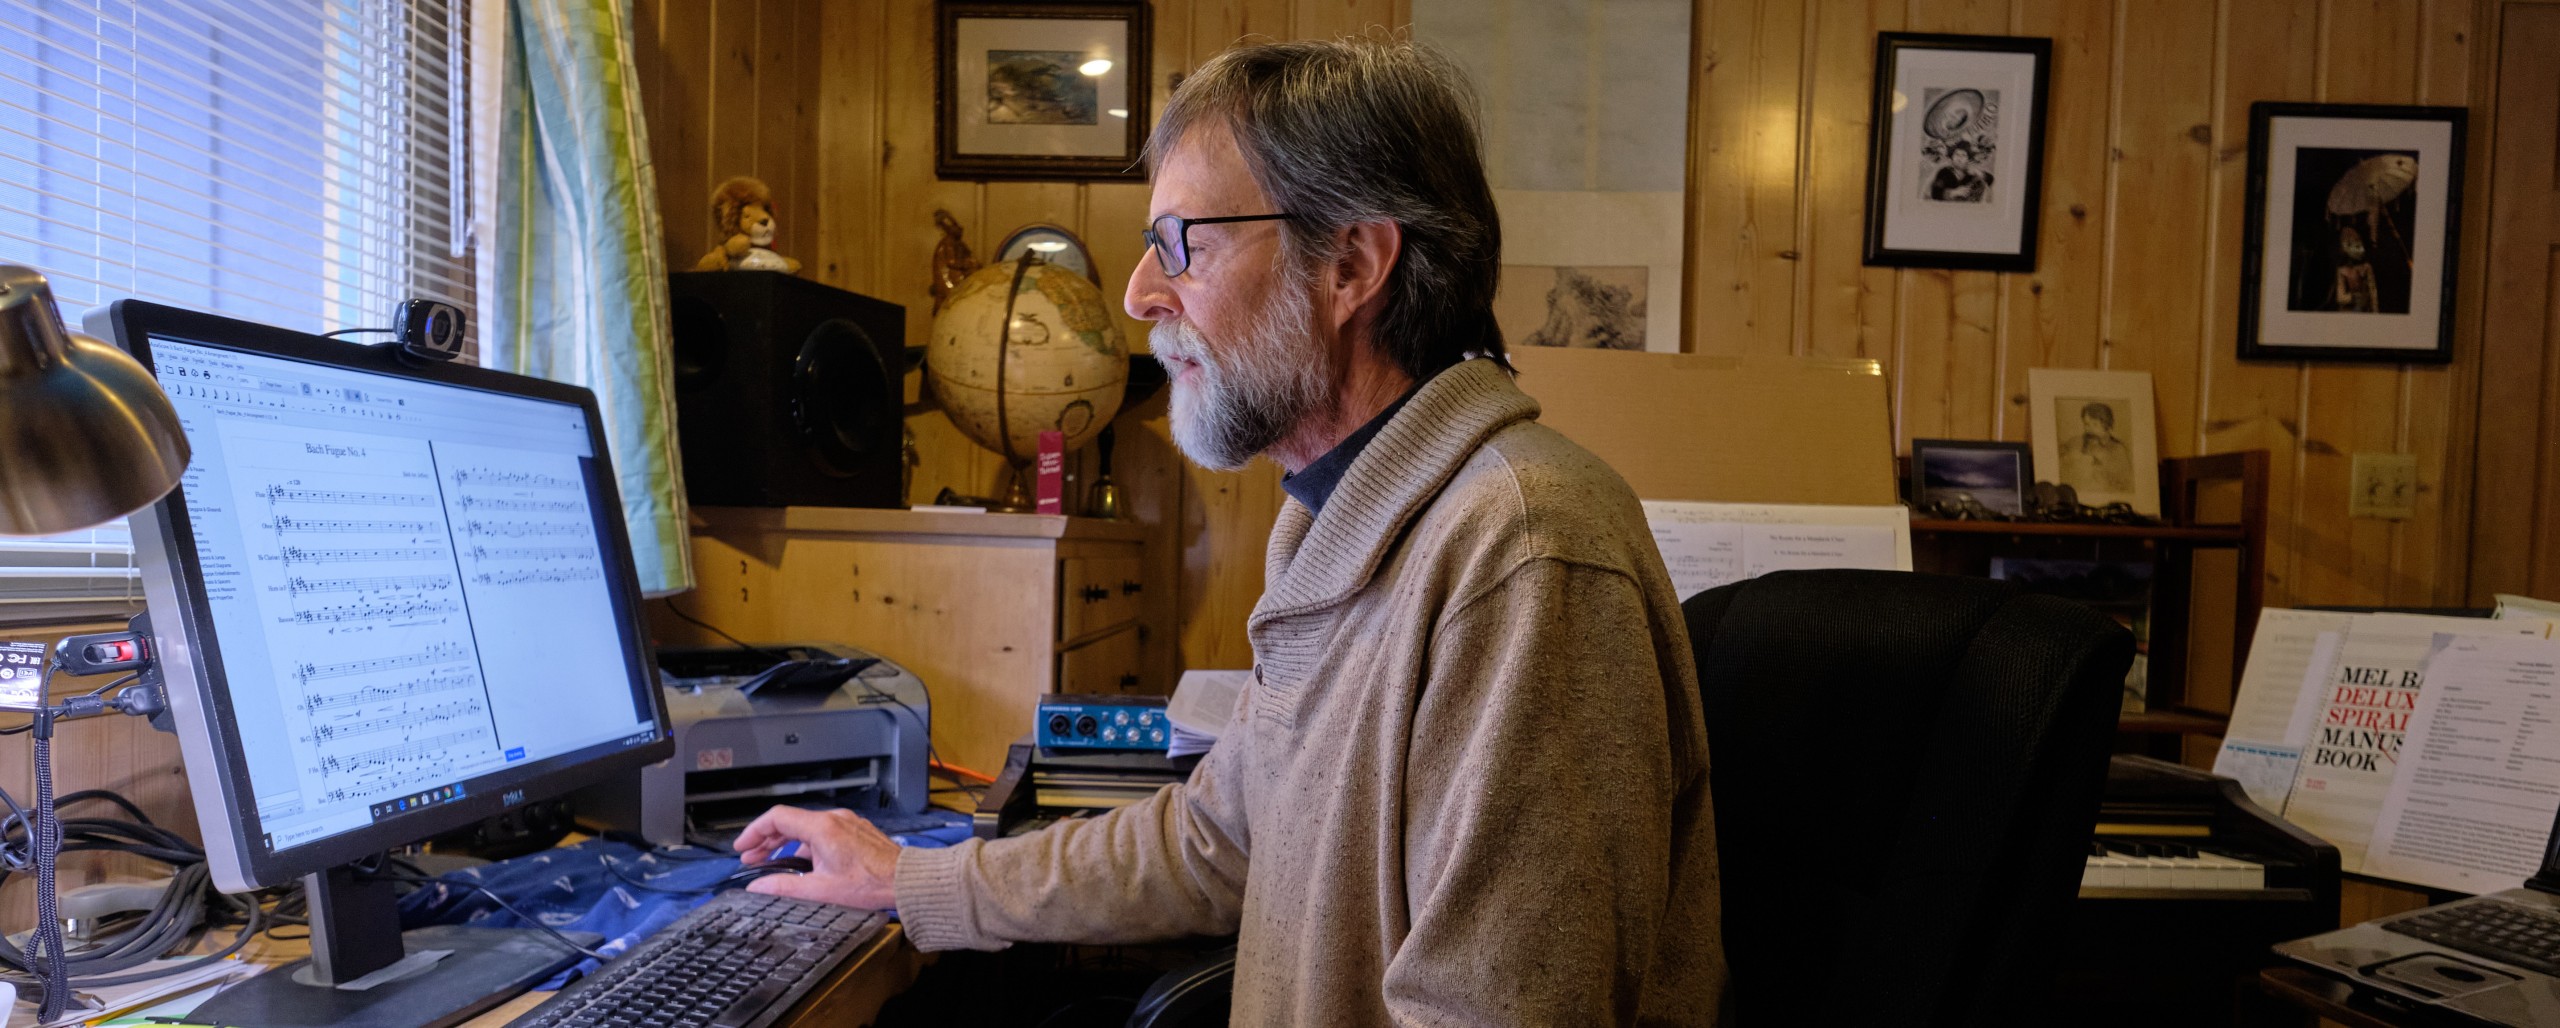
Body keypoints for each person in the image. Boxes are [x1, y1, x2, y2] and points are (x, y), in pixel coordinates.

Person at [734, 38, 1725, 1026]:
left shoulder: (1519, 548)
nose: (1137, 295)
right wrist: (914, 880)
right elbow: (1217, 838)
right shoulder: (1332, 519)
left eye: (1181, 243)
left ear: (1351, 264)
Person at [2057, 401, 2134, 493]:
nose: (2088, 429)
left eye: (2094, 424)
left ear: (2106, 425)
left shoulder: (2118, 449)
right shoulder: (2076, 442)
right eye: (2086, 424)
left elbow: (2124, 483)